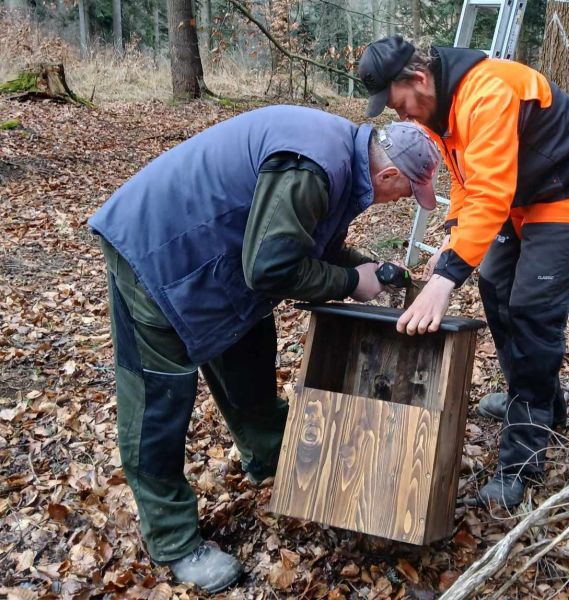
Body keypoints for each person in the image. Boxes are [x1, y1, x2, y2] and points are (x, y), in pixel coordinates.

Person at [88, 105, 439, 593]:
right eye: (406, 192)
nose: (402, 201)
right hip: (160, 255)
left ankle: (273, 463)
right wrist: (345, 282)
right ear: (390, 173)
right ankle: (173, 540)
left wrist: (369, 269)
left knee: (250, 360)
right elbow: (271, 268)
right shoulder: (313, 166)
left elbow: (302, 242)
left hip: (221, 266)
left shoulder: (341, 161)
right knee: (159, 403)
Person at [358, 36, 569, 509]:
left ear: (418, 79)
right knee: (496, 287)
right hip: (519, 190)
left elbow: (491, 192)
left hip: (565, 185)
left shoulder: (487, 92)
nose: (402, 117)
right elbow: (466, 181)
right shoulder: (437, 110)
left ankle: (522, 455)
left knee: (532, 310)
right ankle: (538, 401)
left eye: (400, 105)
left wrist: (444, 280)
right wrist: (453, 240)